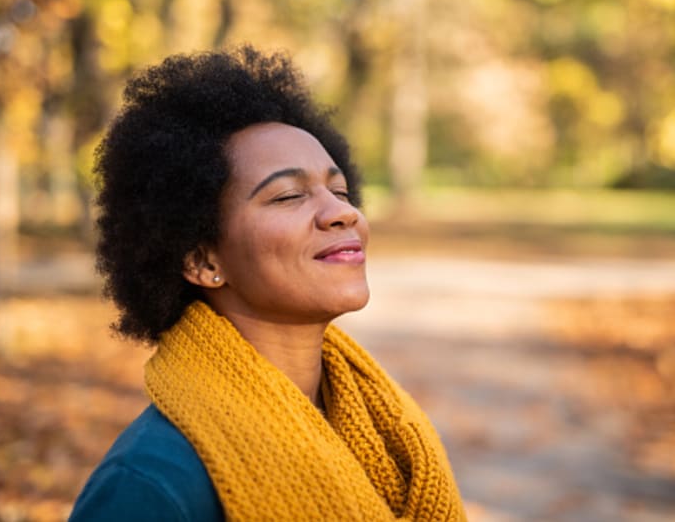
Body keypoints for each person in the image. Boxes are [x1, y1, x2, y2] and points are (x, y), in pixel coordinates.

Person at [69, 46, 465, 521]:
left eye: (339, 191)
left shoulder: (387, 432)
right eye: (289, 195)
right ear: (201, 259)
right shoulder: (153, 486)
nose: (343, 212)